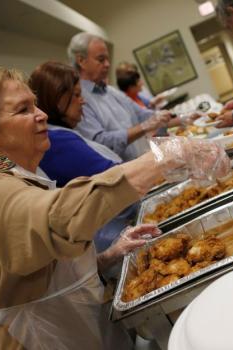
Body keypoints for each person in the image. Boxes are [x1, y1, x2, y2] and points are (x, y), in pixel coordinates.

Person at [0, 67, 230, 349]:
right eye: (23, 109)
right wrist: (161, 159)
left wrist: (109, 255)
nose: (42, 114)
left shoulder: (29, 177)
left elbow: (48, 274)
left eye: (35, 104)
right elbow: (58, 217)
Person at [29, 61, 138, 252]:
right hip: (113, 236)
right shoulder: (56, 142)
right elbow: (116, 176)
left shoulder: (60, 133)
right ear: (56, 99)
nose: (83, 101)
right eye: (77, 95)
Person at [68, 33, 173, 161]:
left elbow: (142, 114)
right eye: (101, 59)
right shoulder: (79, 100)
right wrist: (144, 126)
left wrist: (181, 117)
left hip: (145, 161)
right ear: (81, 61)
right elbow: (102, 143)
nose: (107, 64)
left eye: (108, 59)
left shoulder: (111, 91)